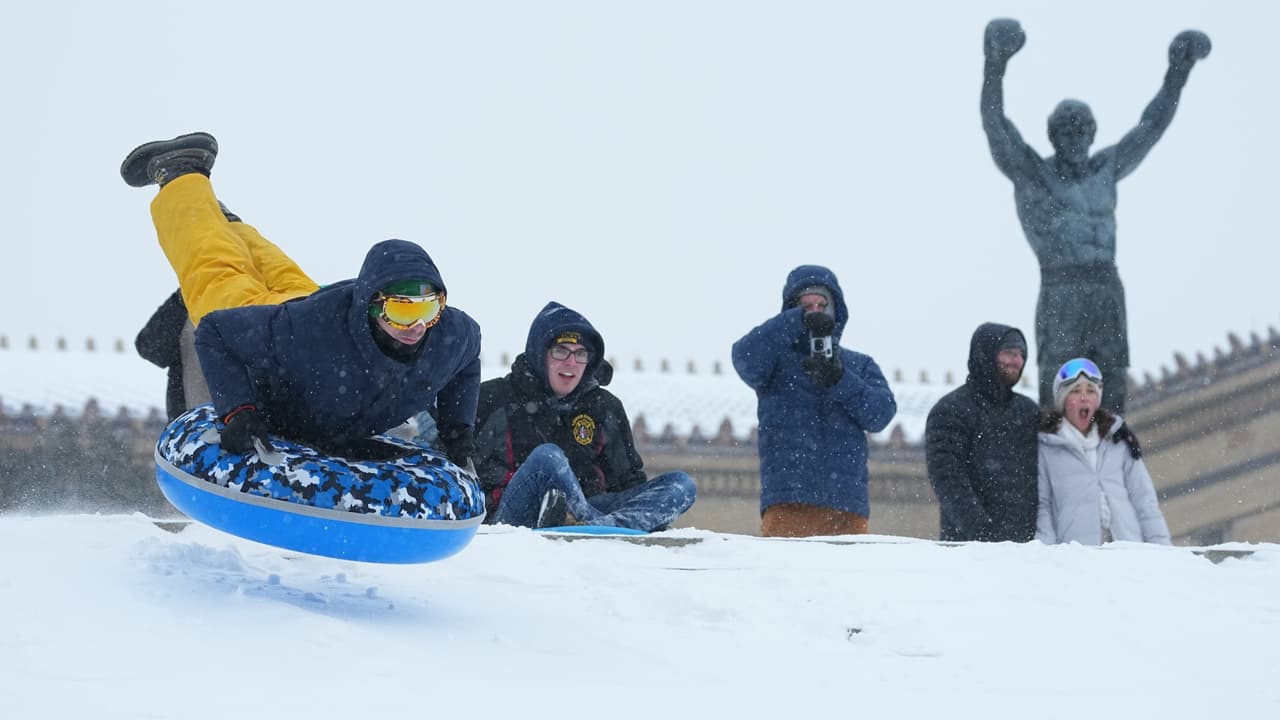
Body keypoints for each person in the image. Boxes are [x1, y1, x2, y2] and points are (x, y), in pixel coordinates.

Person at [121, 131, 481, 464]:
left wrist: (457, 427)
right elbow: (215, 332)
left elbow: (468, 358)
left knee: (270, 263)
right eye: (402, 312)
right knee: (213, 268)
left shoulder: (452, 335)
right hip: (277, 328)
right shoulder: (307, 333)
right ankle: (181, 172)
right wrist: (238, 412)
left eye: (429, 309)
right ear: (373, 305)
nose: (417, 325)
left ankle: (222, 217)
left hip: (311, 306)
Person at [980, 19, 1211, 414]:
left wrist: (1178, 71)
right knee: (1061, 387)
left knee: (1112, 385)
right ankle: (1058, 461)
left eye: (1082, 131)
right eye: (1066, 132)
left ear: (1092, 135)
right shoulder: (1034, 175)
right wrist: (995, 65)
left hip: (1106, 287)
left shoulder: (1107, 168)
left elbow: (1151, 126)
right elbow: (995, 125)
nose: (1075, 139)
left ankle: (1115, 459)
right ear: (1054, 137)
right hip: (1061, 286)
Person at [469, 301, 696, 531]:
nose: (571, 363)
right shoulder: (493, 398)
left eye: (580, 354)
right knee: (548, 458)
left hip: (593, 507)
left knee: (682, 485)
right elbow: (465, 466)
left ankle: (601, 527)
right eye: (561, 351)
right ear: (540, 354)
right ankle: (594, 525)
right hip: (514, 516)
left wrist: (643, 509)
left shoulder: (604, 407)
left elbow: (628, 480)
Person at [731, 265, 897, 537]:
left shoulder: (858, 365)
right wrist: (793, 322)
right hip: (788, 500)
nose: (815, 311)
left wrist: (839, 379)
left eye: (822, 305)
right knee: (785, 579)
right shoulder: (776, 363)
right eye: (806, 306)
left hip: (847, 506)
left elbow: (880, 414)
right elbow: (743, 357)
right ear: (791, 309)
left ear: (835, 311)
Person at [1036, 358, 1171, 545]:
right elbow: (1043, 507)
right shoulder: (1047, 447)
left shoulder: (1118, 439)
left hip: (1128, 550)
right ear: (1063, 400)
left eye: (1090, 391)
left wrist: (1162, 548)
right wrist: (1049, 555)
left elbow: (1144, 499)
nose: (1084, 397)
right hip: (1078, 556)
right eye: (1075, 391)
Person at [925, 322, 1039, 542]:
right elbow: (948, 481)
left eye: (1021, 355)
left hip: (1027, 549)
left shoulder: (1029, 412)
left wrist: (1111, 429)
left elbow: (1064, 449)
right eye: (1009, 353)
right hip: (969, 550)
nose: (1017, 361)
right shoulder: (950, 411)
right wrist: (983, 534)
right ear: (985, 355)